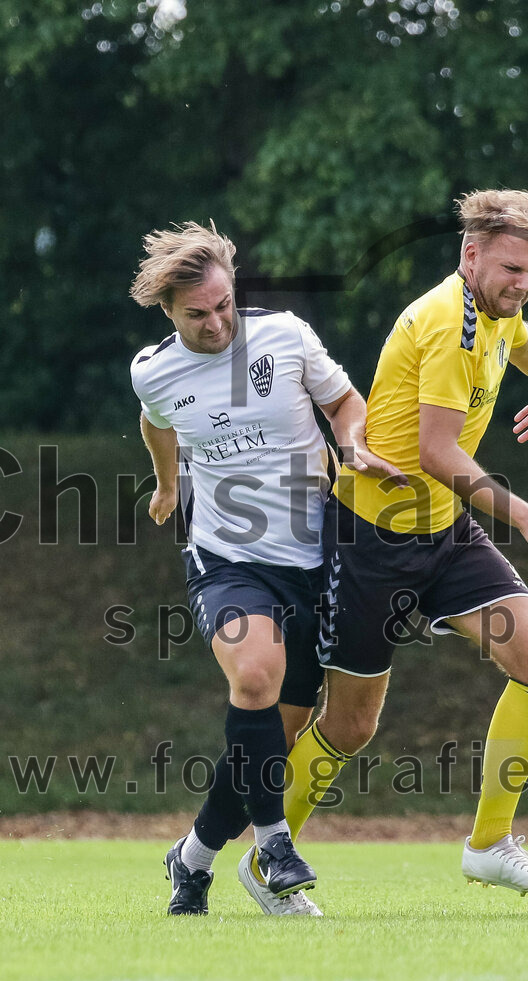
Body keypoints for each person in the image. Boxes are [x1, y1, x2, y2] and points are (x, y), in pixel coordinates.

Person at [263, 187, 528, 897]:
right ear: (469, 255)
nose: (523, 285)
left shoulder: (500, 312)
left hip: (445, 533)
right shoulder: (449, 324)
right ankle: (269, 848)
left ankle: (490, 844)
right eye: (511, 269)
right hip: (369, 542)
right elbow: (440, 452)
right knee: (349, 727)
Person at [129, 221, 403, 916]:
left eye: (224, 304)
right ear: (169, 311)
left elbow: (344, 401)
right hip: (225, 555)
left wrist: (351, 444)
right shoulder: (153, 369)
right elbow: (154, 419)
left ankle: (191, 859)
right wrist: (167, 485)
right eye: (198, 314)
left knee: (272, 737)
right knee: (253, 675)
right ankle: (275, 843)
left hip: (315, 557)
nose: (217, 321)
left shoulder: (284, 334)